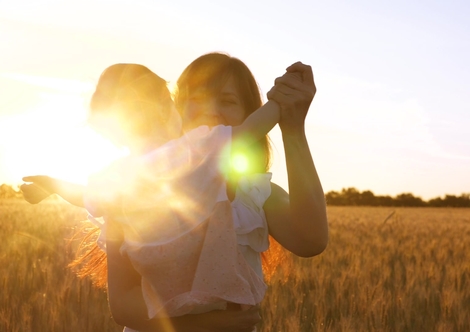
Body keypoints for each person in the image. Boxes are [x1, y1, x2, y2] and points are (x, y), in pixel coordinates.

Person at [22, 62, 284, 329]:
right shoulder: (197, 149)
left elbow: (86, 195)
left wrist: (53, 185)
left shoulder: (118, 174)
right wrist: (281, 101)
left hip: (160, 279)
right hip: (202, 275)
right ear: (166, 107)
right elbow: (251, 129)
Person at [103, 53, 328, 332]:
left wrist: (292, 128)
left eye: (227, 101)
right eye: (194, 99)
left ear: (250, 117)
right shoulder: (136, 187)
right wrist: (207, 324)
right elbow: (123, 305)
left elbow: (311, 240)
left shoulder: (254, 192)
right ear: (174, 113)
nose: (210, 110)